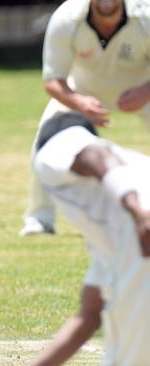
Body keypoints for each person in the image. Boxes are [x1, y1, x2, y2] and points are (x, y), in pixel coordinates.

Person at [20, 0, 150, 236]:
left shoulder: (146, 15)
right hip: (81, 93)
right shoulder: (67, 18)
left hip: (141, 90)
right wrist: (79, 102)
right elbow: (53, 80)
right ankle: (40, 218)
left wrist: (145, 92)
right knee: (45, 136)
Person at [30, 111, 150, 365]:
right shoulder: (108, 238)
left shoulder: (54, 148)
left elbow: (96, 156)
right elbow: (88, 316)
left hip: (140, 220)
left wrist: (139, 213)